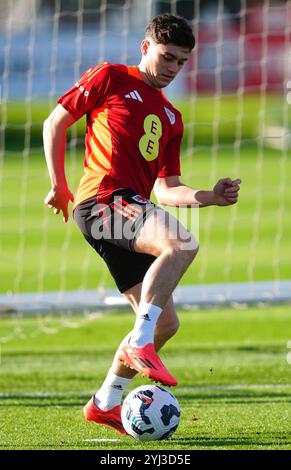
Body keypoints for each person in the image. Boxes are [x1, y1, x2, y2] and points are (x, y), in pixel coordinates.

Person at [43, 13, 241, 435]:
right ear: (145, 47)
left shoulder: (171, 117)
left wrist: (209, 195)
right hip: (102, 200)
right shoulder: (111, 77)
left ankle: (105, 401)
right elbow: (55, 121)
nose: (172, 68)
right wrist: (59, 185)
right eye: (167, 57)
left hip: (130, 205)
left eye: (181, 62)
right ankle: (139, 342)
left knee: (166, 322)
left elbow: (167, 188)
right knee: (181, 244)